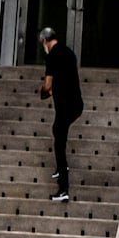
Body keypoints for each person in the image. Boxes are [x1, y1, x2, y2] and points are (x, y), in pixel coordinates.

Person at [43, 23, 84, 200]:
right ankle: (61, 169)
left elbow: (48, 84)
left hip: (65, 104)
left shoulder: (52, 56)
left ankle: (63, 188)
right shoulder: (69, 53)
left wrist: (43, 91)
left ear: (45, 41)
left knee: (59, 140)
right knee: (58, 130)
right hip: (76, 103)